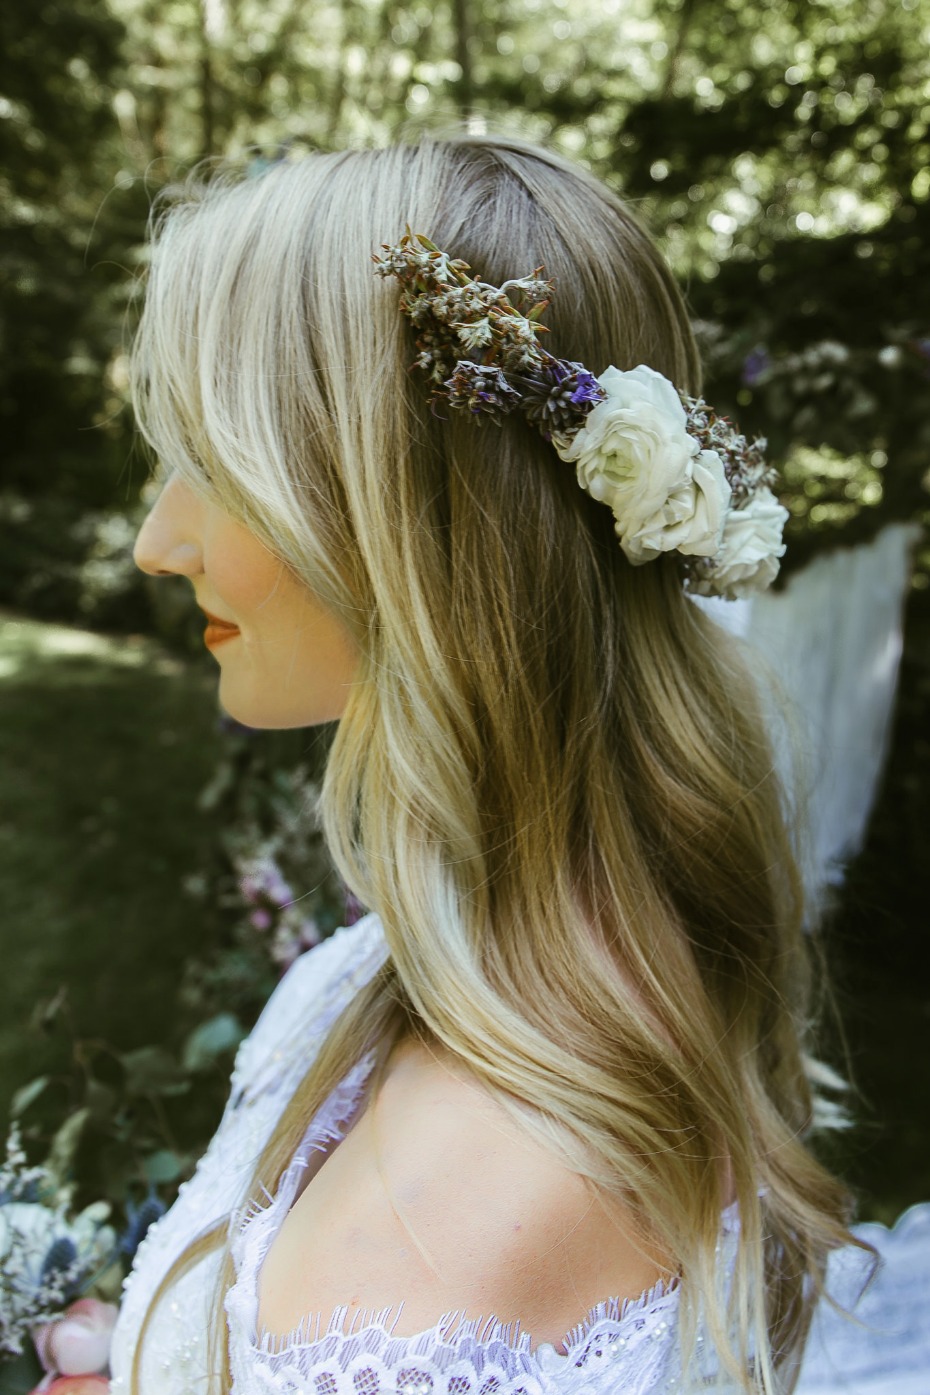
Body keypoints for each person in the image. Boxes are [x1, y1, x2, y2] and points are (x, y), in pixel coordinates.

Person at [114, 134, 926, 1395]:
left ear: (407, 520)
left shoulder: (416, 1270)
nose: (155, 541)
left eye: (216, 464)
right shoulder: (565, 958)